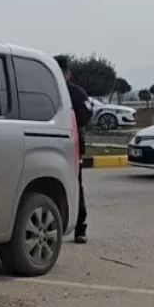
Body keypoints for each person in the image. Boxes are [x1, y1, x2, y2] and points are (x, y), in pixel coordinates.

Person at [54, 55, 92, 244]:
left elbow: (86, 115)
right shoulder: (47, 90)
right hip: (52, 144)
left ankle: (80, 228)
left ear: (68, 74)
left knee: (76, 185)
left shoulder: (76, 94)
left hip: (73, 144)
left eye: (62, 71)